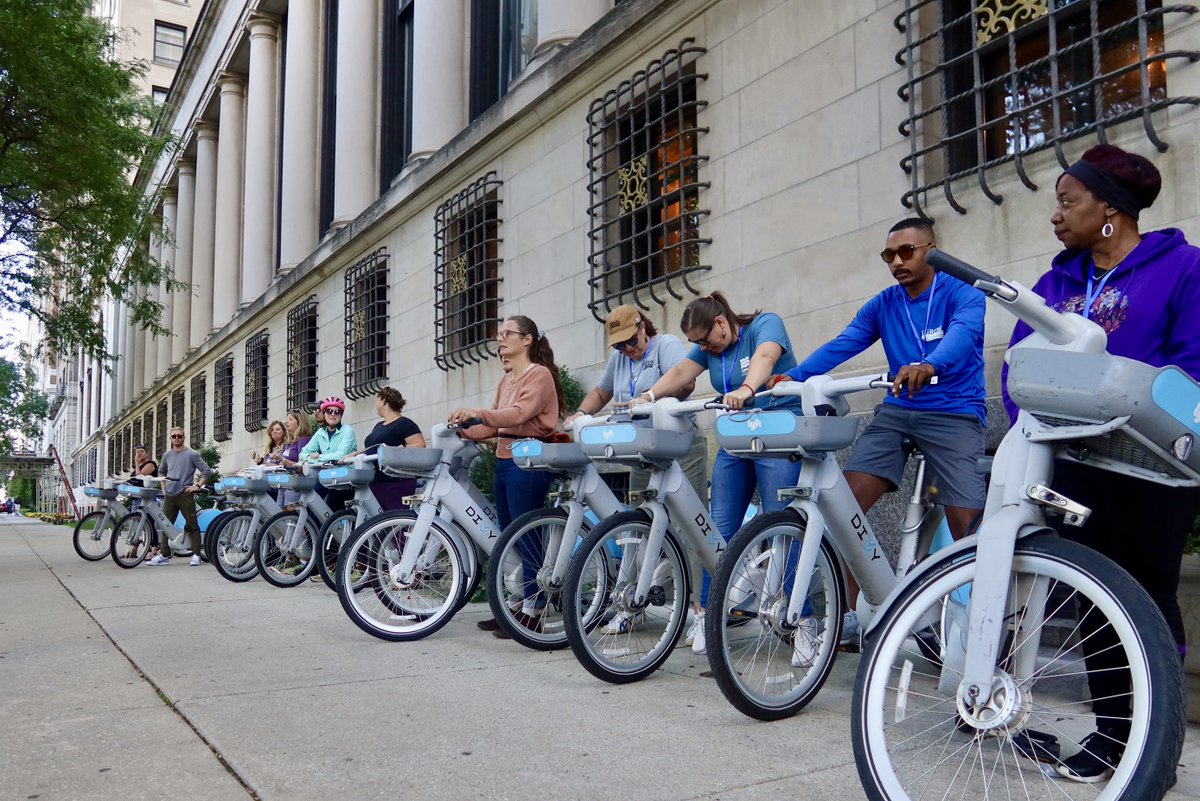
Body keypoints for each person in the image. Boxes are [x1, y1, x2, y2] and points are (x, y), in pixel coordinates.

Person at [1005, 144, 1200, 783]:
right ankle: (1114, 737)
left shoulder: (1183, 270)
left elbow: (1191, 367)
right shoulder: (1055, 283)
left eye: (1068, 202)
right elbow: (1019, 364)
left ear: (1110, 209)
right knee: (1094, 601)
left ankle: (1156, 746)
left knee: (1148, 594)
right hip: (1072, 459)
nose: (1056, 217)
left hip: (1151, 461)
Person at [774, 218, 987, 661]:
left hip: (954, 411)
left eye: (906, 252)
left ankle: (986, 632)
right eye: (888, 255)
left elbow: (963, 337)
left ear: (931, 248)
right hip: (898, 410)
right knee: (842, 506)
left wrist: (929, 364)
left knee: (970, 526)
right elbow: (845, 343)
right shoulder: (884, 304)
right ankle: (854, 613)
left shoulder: (961, 292)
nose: (896, 262)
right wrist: (790, 378)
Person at [636, 292, 803, 655]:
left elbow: (766, 356)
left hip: (776, 432)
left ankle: (802, 621)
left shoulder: (763, 324)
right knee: (717, 528)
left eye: (705, 340)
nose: (704, 349)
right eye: (698, 344)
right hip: (736, 437)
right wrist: (649, 396)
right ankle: (708, 613)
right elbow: (681, 371)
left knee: (783, 528)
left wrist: (747, 388)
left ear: (722, 324)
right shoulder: (708, 347)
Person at [448, 315, 563, 637]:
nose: (501, 339)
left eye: (507, 333)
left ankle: (535, 609)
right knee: (509, 534)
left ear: (527, 339)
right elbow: (496, 425)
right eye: (499, 334)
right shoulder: (507, 379)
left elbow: (519, 415)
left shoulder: (538, 375)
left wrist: (478, 413)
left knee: (526, 535)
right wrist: (466, 429)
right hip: (504, 460)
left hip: (527, 463)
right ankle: (514, 606)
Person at [565, 305, 708, 502]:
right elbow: (600, 393)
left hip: (679, 442)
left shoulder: (665, 345)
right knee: (640, 510)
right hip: (643, 447)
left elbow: (686, 383)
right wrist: (581, 413)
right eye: (619, 346)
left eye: (631, 341)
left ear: (642, 328)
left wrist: (651, 399)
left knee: (686, 517)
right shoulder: (619, 358)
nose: (628, 349)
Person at [347, 387, 426, 511]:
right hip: (376, 480)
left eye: (377, 400)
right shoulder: (379, 425)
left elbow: (420, 445)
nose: (376, 405)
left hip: (396, 481)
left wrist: (394, 450)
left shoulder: (405, 423)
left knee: (394, 519)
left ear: (383, 401)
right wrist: (355, 454)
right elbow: (372, 447)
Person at [147, 427, 210, 566]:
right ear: (170, 439)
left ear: (184, 437)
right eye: (174, 436)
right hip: (169, 495)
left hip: (185, 494)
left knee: (192, 524)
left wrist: (197, 486)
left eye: (179, 436)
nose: (177, 438)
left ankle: (196, 555)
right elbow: (161, 472)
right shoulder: (167, 455)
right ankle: (164, 555)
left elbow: (206, 470)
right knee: (165, 525)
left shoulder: (192, 454)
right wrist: (163, 488)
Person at [299, 397, 358, 511]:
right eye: (329, 411)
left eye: (337, 412)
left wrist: (317, 458)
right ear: (324, 413)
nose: (333, 414)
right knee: (314, 505)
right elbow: (303, 453)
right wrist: (309, 457)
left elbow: (340, 455)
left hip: (347, 479)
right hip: (331, 478)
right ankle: (314, 527)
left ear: (341, 415)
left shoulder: (347, 430)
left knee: (351, 517)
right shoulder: (320, 433)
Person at [275, 409, 314, 507]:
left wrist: (283, 460)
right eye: (287, 419)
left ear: (299, 422)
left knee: (290, 517)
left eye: (290, 419)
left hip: (296, 485)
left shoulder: (303, 439)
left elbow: (302, 465)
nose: (286, 422)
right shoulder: (288, 443)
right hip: (284, 483)